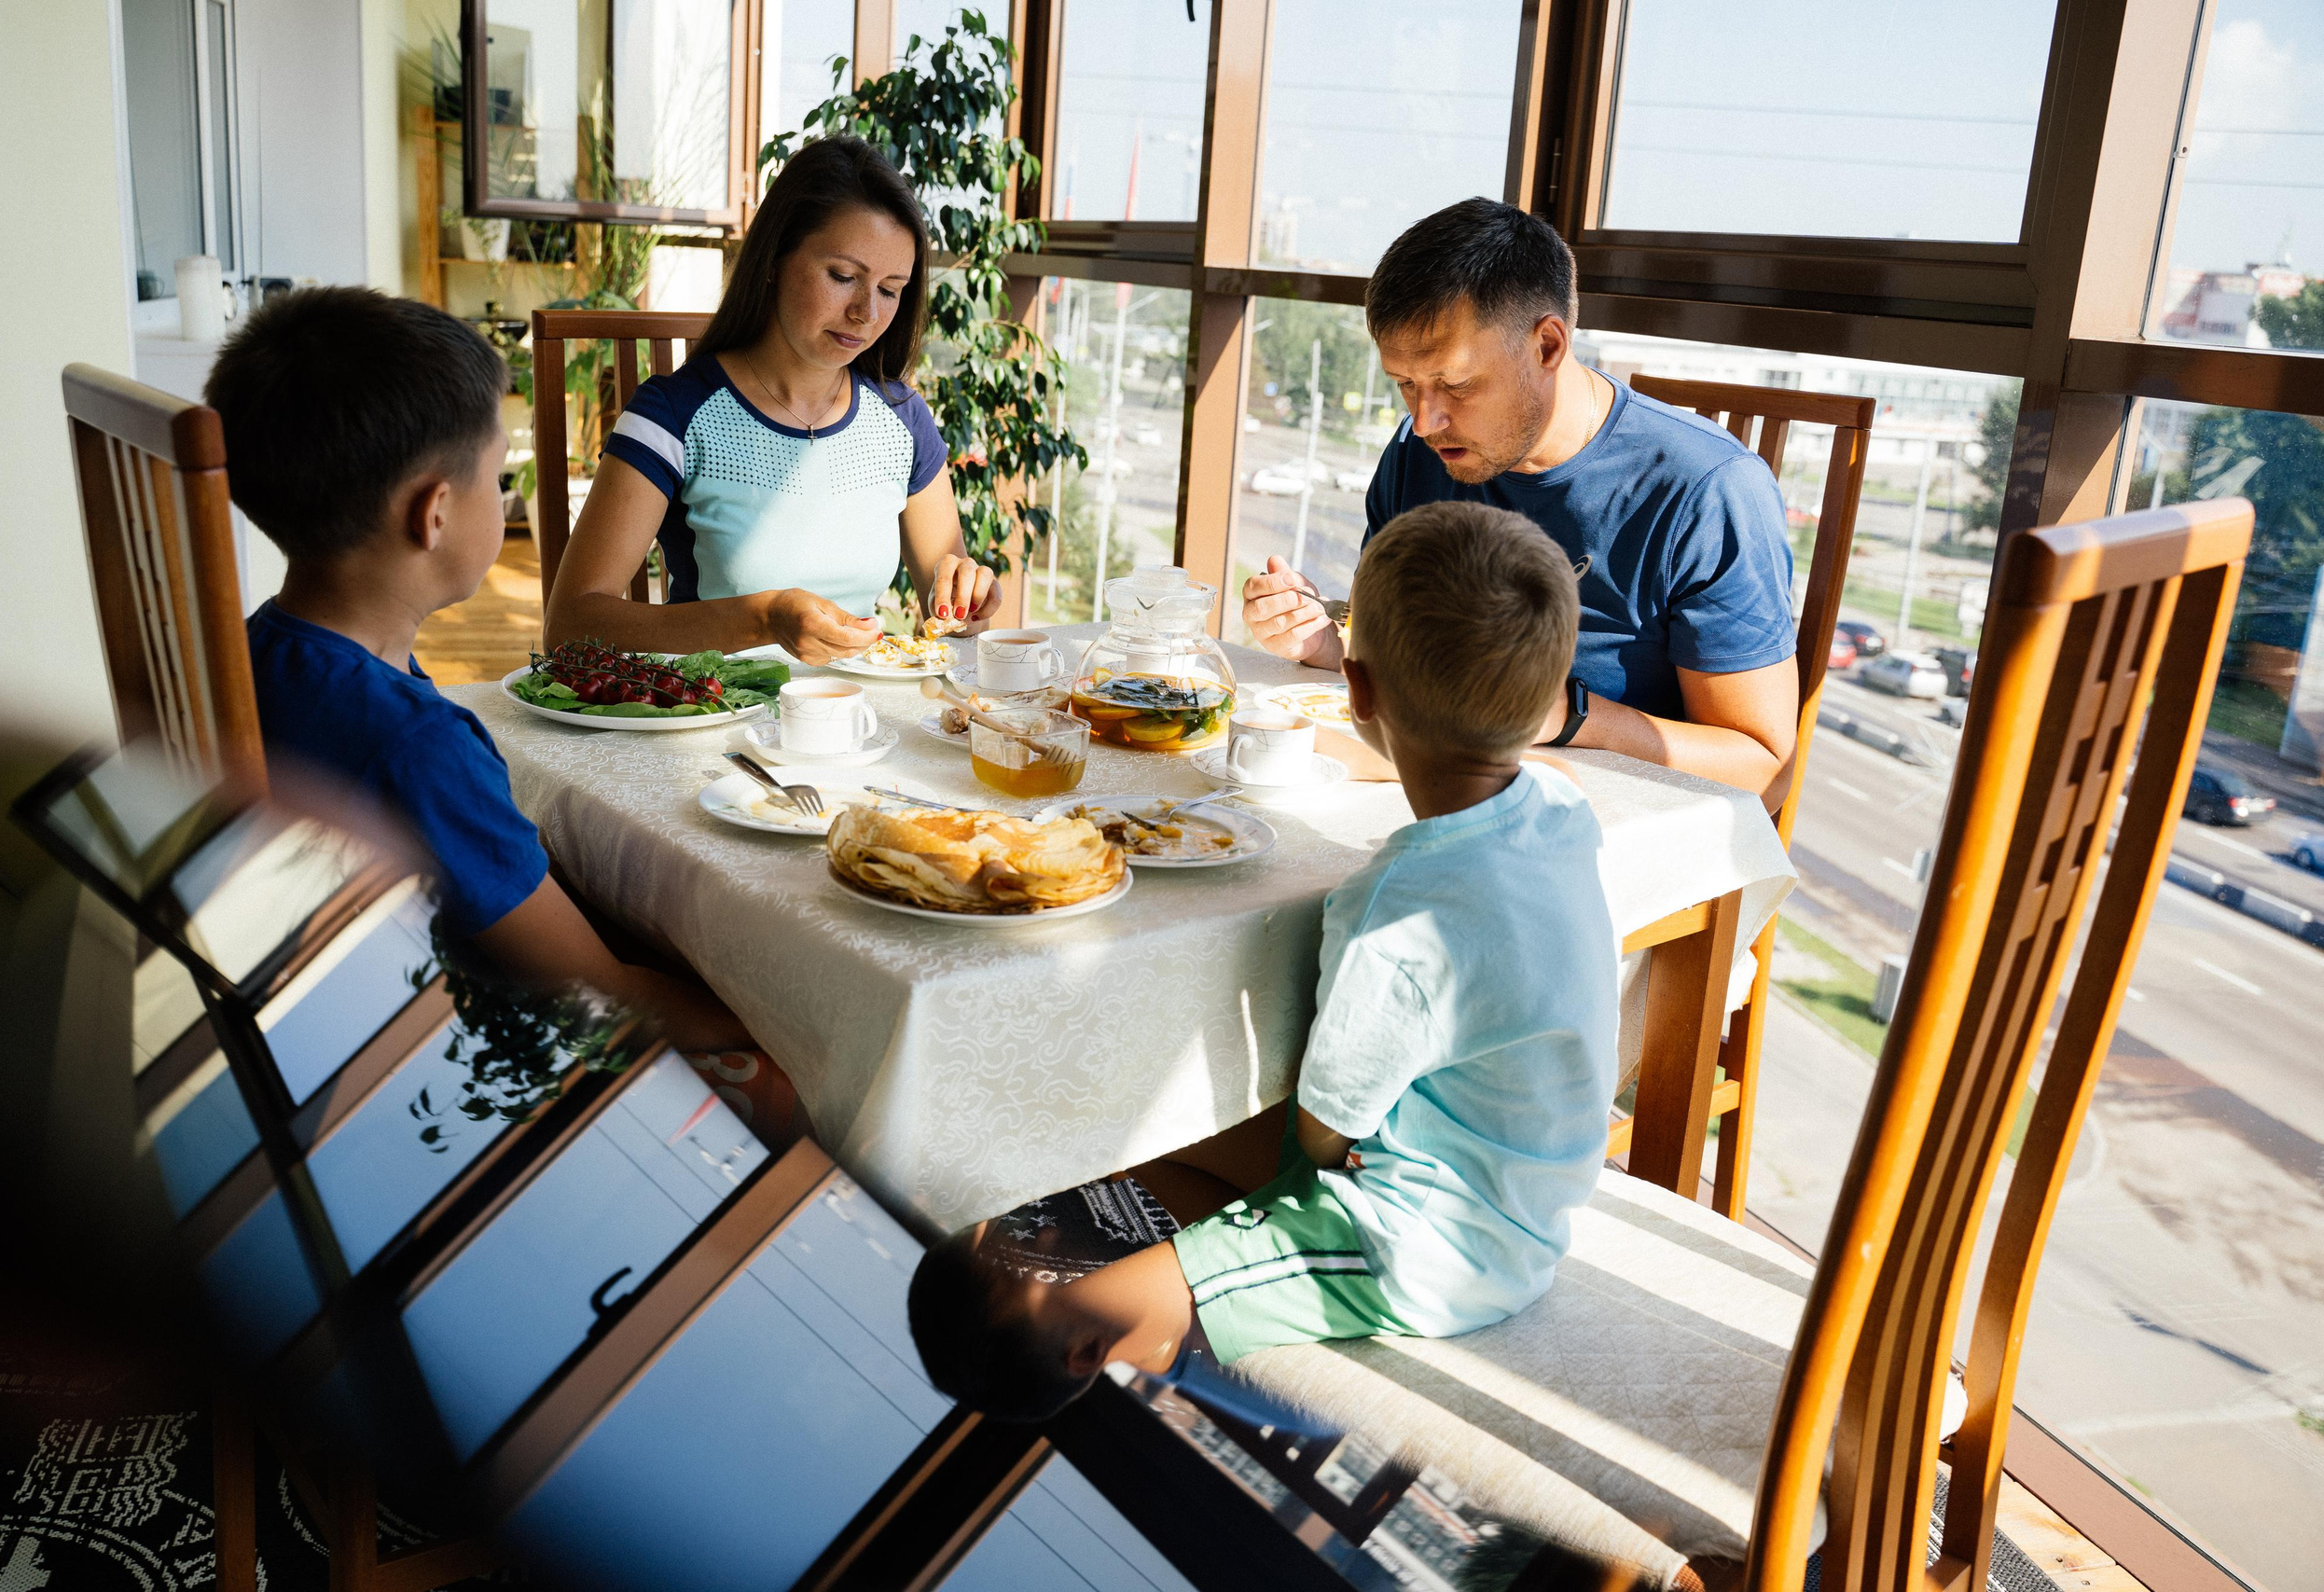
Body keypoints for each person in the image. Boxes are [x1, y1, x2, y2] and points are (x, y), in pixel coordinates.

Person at [909, 501, 1619, 1420]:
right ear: (1551, 693)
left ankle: (1076, 1336)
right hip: (1519, 1181)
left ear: (1355, 692)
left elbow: (1327, 1126)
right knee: (1168, 1141)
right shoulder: (1559, 811)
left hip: (1421, 1241)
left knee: (1185, 1257)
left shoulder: (1404, 910)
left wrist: (1297, 1174)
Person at [206, 286, 807, 1141]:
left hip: (318, 1044)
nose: (507, 496)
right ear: (435, 512)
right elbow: (598, 990)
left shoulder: (258, 654)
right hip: (457, 1087)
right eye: (502, 477)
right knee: (800, 1069)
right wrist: (789, 1031)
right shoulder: (418, 743)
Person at [1242, 199, 1799, 802]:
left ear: (1548, 346)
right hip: (1436, 801)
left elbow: (1765, 772)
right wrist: (1328, 643)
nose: (1425, 420)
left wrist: (1574, 718)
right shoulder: (1419, 453)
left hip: (1605, 839)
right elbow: (1412, 662)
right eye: (1406, 383)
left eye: (1456, 384)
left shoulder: (1708, 490)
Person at [546, 135, 994, 664]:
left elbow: (950, 611)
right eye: (844, 277)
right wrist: (763, 619)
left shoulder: (900, 418)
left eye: (891, 289)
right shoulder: (675, 414)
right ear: (772, 260)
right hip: (712, 719)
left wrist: (968, 597)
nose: (866, 313)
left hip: (854, 721)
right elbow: (571, 625)